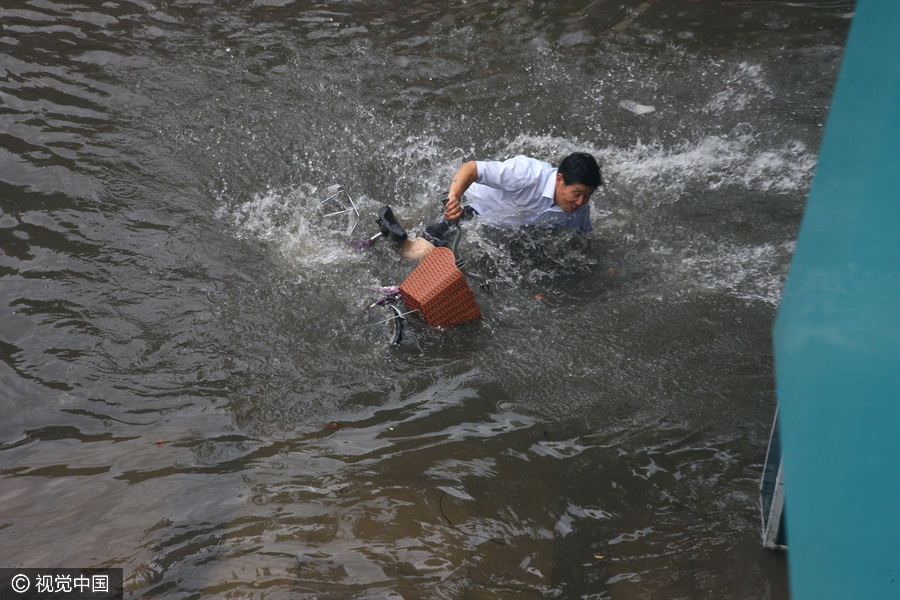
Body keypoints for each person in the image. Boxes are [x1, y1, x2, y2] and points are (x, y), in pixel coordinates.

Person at [400, 153, 602, 261]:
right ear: (559, 180)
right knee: (422, 253)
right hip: (471, 205)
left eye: (588, 195)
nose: (581, 202)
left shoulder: (579, 208)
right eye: (577, 194)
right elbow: (470, 168)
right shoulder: (524, 175)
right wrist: (454, 198)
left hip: (505, 228)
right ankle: (396, 243)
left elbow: (583, 236)